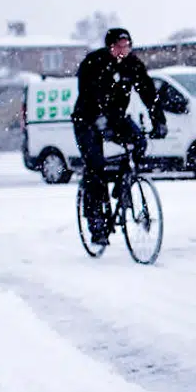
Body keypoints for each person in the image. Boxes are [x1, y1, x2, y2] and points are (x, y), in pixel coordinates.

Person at [71, 27, 161, 245]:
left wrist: (158, 120)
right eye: (119, 46)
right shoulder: (94, 63)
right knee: (95, 166)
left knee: (139, 142)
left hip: (115, 116)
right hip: (87, 119)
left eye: (127, 46)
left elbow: (148, 92)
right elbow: (89, 91)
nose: (123, 50)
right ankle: (97, 223)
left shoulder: (133, 65)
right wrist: (98, 117)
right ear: (109, 47)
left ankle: (123, 185)